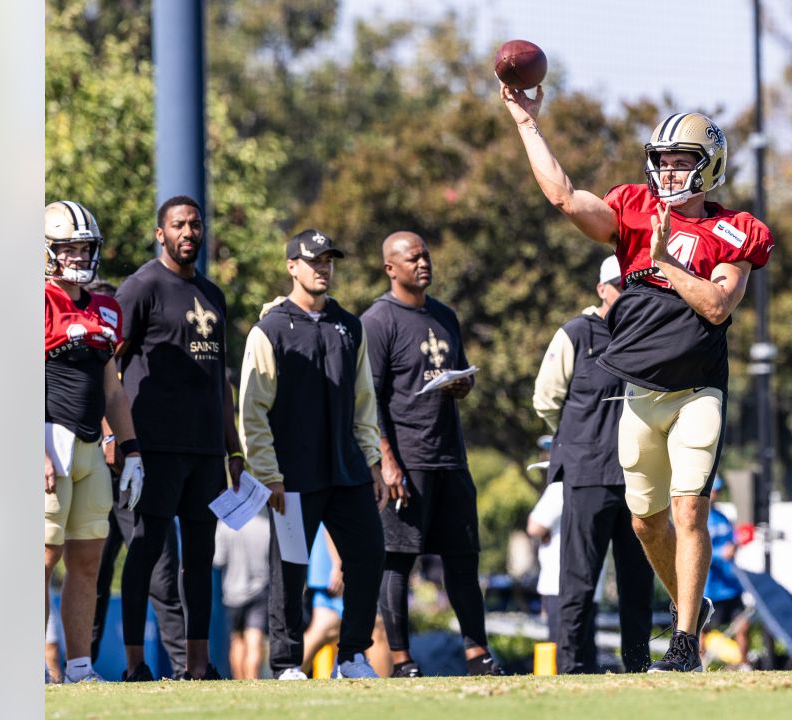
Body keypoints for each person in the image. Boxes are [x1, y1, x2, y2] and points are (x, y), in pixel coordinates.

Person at [502, 86, 774, 672]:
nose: (669, 171)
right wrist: (526, 122)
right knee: (646, 523)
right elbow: (564, 198)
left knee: (687, 514)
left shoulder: (735, 231)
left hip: (698, 392)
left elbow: (720, 306)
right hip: (639, 393)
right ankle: (690, 608)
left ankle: (683, 645)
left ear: (710, 167)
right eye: (663, 160)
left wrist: (670, 265)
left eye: (682, 161)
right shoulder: (632, 209)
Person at [238, 228, 388, 680]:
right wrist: (267, 473)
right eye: (313, 260)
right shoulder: (269, 330)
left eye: (328, 260)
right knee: (288, 570)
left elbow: (364, 401)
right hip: (292, 477)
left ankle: (352, 656)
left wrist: (373, 461)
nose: (323, 267)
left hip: (348, 471)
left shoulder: (349, 325)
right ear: (291, 266)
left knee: (369, 555)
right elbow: (252, 410)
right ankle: (286, 664)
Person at [114, 195, 245, 681]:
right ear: (160, 233)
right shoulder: (141, 287)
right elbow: (111, 364)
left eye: (195, 224)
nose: (188, 232)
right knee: (146, 550)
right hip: (154, 446)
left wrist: (232, 448)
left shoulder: (214, 294)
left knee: (200, 555)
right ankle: (133, 663)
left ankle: (197, 664)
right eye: (178, 225)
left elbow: (219, 381)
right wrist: (116, 437)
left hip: (206, 450)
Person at [361, 231, 502, 678]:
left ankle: (478, 655)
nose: (423, 263)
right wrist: (386, 459)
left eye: (426, 255)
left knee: (463, 558)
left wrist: (465, 384)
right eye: (412, 257)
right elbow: (371, 397)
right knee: (399, 559)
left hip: (450, 457)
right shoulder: (377, 321)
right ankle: (402, 662)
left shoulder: (445, 316)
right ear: (390, 268)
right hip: (407, 460)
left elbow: (456, 371)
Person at [532, 255, 655, 673]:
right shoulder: (575, 334)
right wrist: (578, 436)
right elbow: (546, 400)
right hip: (587, 474)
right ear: (602, 289)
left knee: (638, 582)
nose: (627, 294)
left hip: (638, 477)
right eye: (621, 286)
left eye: (635, 286)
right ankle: (573, 667)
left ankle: (638, 664)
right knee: (579, 580)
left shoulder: (646, 333)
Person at [44, 200, 145, 683]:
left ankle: (80, 666)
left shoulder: (105, 307)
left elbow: (112, 389)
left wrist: (132, 450)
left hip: (88, 447)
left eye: (85, 247)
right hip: (49, 439)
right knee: (42, 557)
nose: (79, 256)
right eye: (68, 248)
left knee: (88, 558)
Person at [86, 280, 186, 678]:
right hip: (93, 471)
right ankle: (82, 667)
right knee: (91, 572)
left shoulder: (149, 353)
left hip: (137, 472)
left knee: (162, 568)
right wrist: (108, 434)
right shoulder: (85, 348)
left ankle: (183, 666)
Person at [299, 524, 393, 678]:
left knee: (328, 626)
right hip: (337, 556)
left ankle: (289, 672)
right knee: (375, 626)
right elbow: (331, 515)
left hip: (338, 555)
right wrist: (338, 564)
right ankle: (288, 672)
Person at [213, 508, 271, 679]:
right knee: (255, 639)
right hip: (260, 589)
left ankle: (239, 682)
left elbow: (218, 560)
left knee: (236, 640)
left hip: (233, 592)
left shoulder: (225, 526)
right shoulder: (265, 525)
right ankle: (253, 681)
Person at [702, 477, 750, 669]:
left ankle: (743, 664)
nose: (716, 494)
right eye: (714, 490)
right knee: (701, 631)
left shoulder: (722, 517)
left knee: (743, 624)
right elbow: (696, 552)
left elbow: (732, 541)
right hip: (709, 588)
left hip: (730, 587)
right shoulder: (699, 518)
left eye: (718, 490)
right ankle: (699, 665)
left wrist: (737, 544)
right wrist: (721, 554)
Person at [525, 478, 563, 646]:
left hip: (557, 584)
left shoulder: (558, 487)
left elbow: (534, 527)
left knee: (559, 646)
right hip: (586, 583)